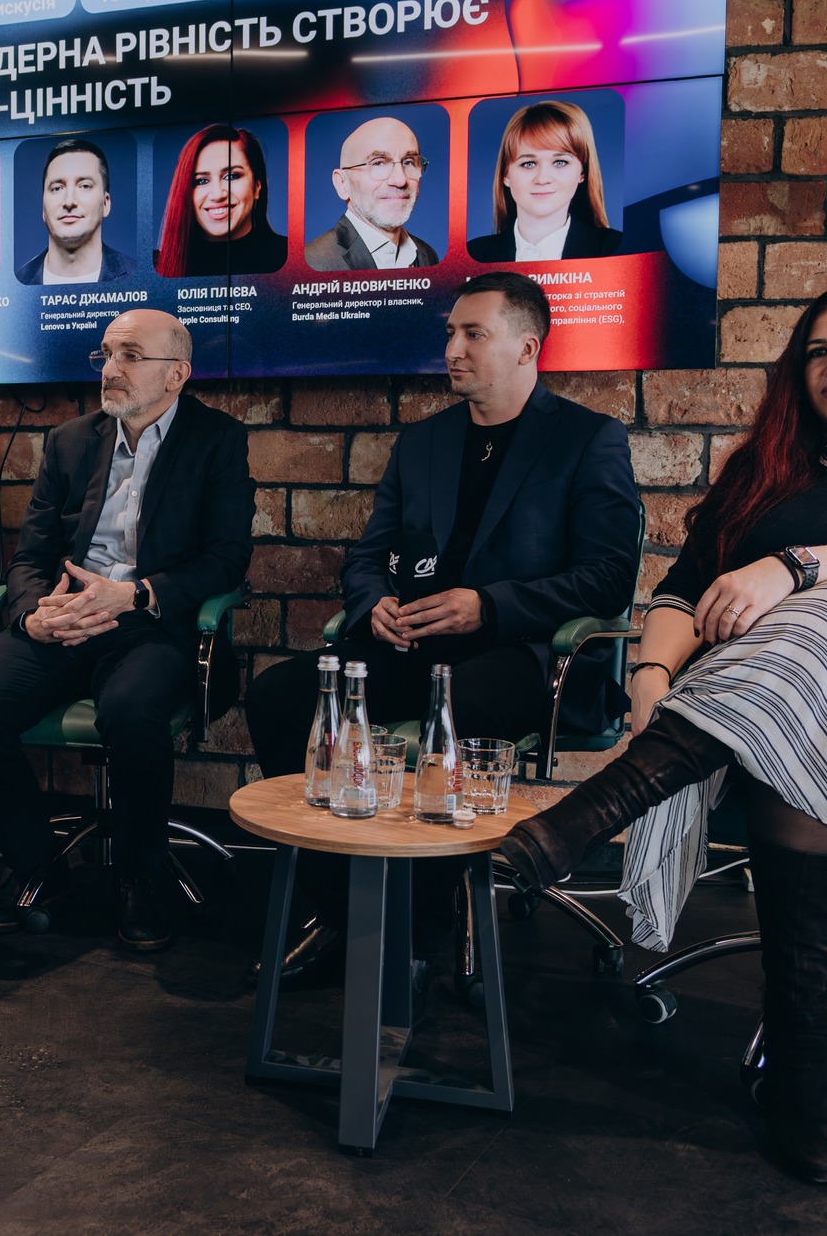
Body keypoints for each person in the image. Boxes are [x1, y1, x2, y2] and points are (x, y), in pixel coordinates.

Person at [495, 283, 827, 1184]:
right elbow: (683, 589)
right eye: (816, 351)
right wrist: (652, 675)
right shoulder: (767, 470)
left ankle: (595, 810)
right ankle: (798, 1070)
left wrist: (792, 569)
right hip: (775, 720)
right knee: (803, 715)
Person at [244, 271, 640, 976]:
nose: (453, 349)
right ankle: (343, 909)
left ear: (527, 347)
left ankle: (416, 943)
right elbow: (369, 555)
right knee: (279, 696)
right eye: (451, 333)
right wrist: (373, 603)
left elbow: (608, 578)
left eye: (473, 334)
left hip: (520, 654)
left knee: (455, 706)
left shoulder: (587, 439)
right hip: (412, 641)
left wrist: (489, 604)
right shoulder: (423, 442)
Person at [0, 308, 253, 952]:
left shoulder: (217, 439)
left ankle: (141, 876)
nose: (110, 369)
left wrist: (135, 593)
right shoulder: (69, 440)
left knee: (131, 712)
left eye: (130, 356)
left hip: (150, 621)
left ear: (176, 374)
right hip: (64, 617)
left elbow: (226, 559)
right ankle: (37, 866)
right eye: (106, 354)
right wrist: (34, 612)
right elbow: (31, 555)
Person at [467, 100, 623, 265]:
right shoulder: (475, 255)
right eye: (528, 164)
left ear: (582, 172)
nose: (542, 179)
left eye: (560, 162)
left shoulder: (617, 249)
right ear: (506, 175)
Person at [303, 115, 440, 272]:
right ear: (342, 183)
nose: (400, 180)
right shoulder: (312, 264)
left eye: (408, 162)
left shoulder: (427, 255)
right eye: (378, 163)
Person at [153, 124, 288, 277]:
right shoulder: (156, 267)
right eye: (201, 181)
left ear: (257, 186)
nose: (217, 195)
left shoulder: (291, 256)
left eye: (231, 176)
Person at [16, 138, 137, 285]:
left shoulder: (139, 278)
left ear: (105, 203)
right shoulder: (16, 285)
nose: (69, 201)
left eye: (85, 186)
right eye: (57, 188)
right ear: (44, 208)